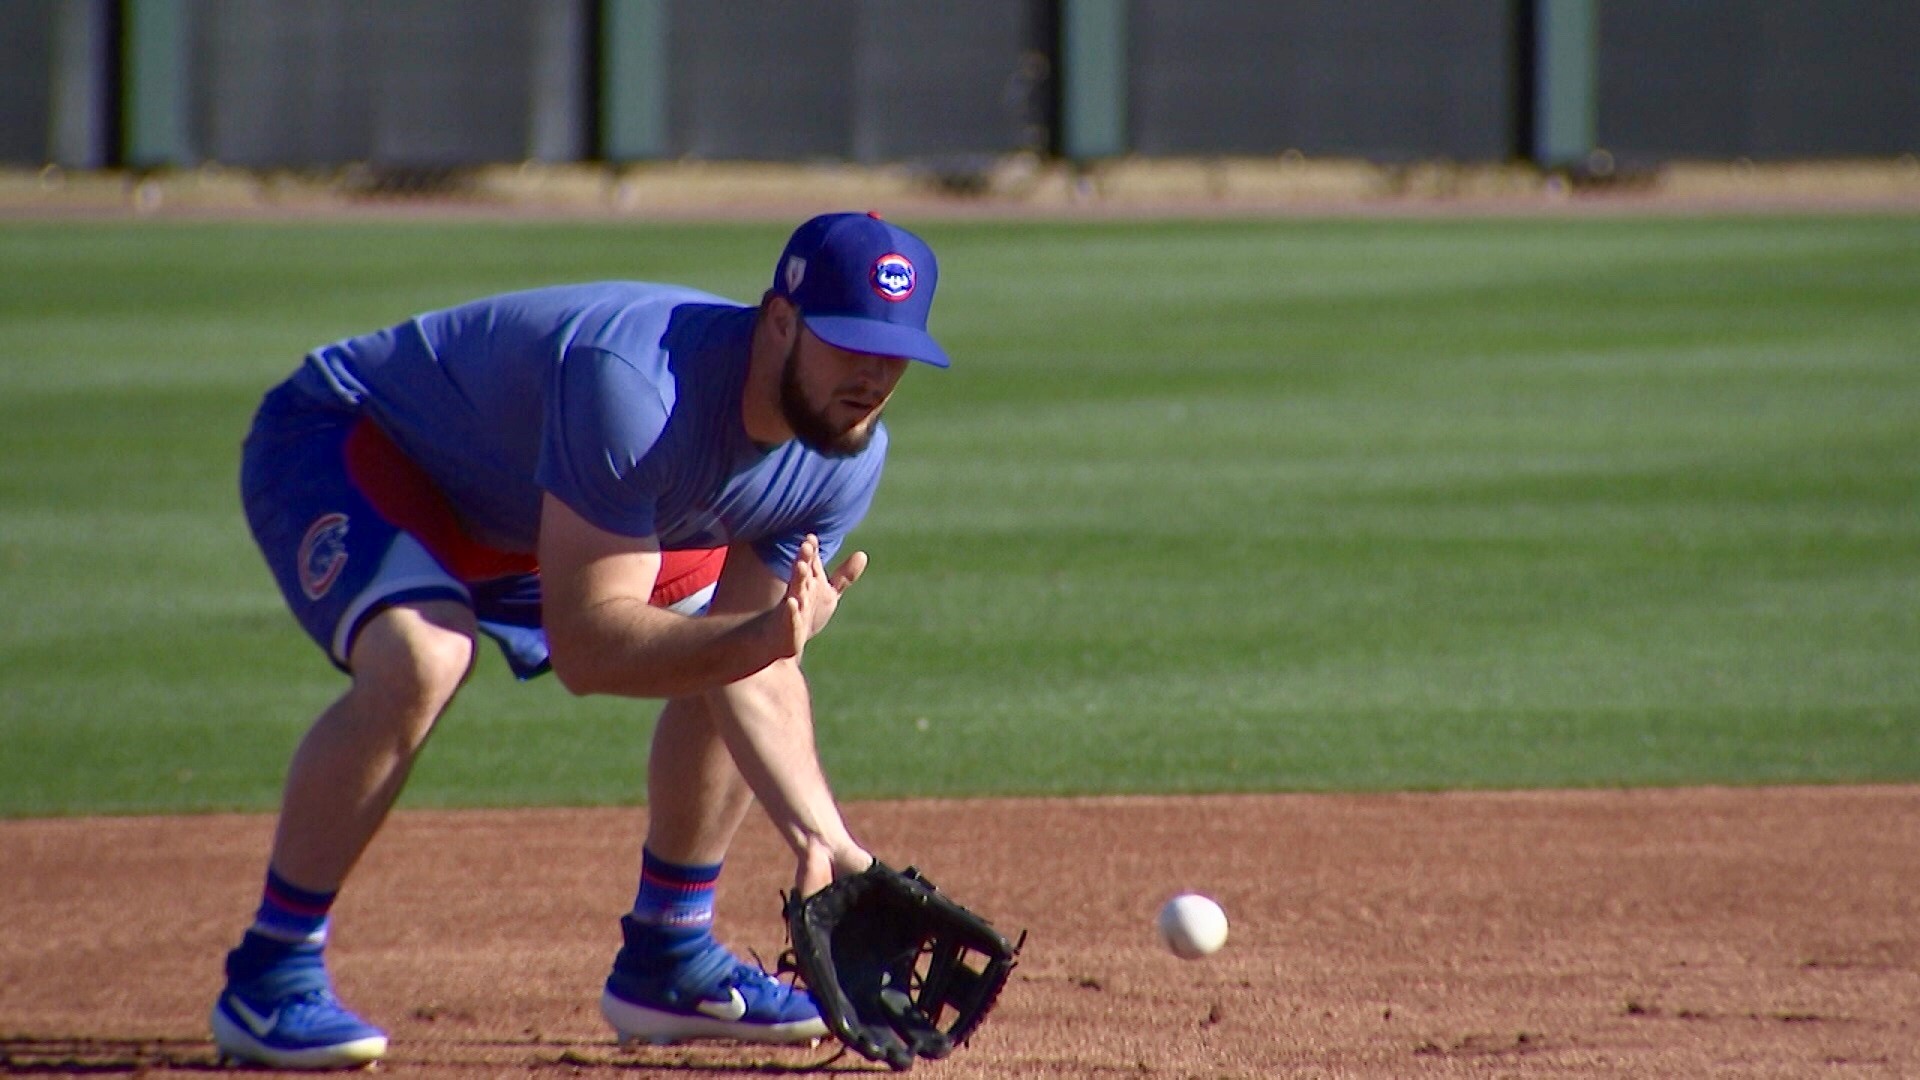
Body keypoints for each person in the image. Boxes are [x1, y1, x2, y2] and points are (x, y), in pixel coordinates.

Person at [209, 211, 951, 1069]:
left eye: (895, 353)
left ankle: (669, 957)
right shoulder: (637, 383)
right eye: (848, 343)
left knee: (731, 638)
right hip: (362, 445)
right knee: (426, 656)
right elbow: (591, 650)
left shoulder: (845, 456)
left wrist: (826, 842)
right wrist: (755, 639)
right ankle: (271, 973)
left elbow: (757, 658)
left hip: (541, 513)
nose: (873, 376)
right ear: (779, 320)